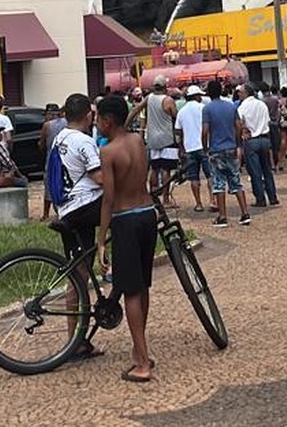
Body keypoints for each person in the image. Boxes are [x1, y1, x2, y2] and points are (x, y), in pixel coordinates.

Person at [96, 94, 158, 383]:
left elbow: (108, 198)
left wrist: (101, 239)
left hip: (125, 219)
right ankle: (139, 349)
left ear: (107, 121)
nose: (96, 123)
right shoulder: (137, 141)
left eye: (99, 118)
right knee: (142, 286)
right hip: (147, 213)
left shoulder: (108, 152)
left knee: (130, 291)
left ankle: (142, 362)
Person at [50, 92, 105, 360]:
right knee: (124, 211)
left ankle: (75, 340)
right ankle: (114, 259)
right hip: (85, 206)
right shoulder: (84, 141)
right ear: (88, 116)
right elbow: (99, 177)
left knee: (78, 275)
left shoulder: (59, 137)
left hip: (67, 208)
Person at [202, 80, 251, 227]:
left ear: (208, 93)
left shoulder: (207, 109)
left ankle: (222, 216)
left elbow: (205, 130)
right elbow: (238, 126)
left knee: (218, 183)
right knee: (236, 181)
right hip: (231, 147)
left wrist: (205, 148)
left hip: (216, 149)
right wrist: (237, 143)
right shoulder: (231, 106)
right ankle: (245, 213)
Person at [138, 76, 179, 207]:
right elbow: (176, 116)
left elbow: (135, 110)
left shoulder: (148, 98)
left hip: (152, 139)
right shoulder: (168, 100)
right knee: (166, 169)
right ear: (164, 87)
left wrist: (126, 125)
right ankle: (166, 199)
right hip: (167, 138)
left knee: (154, 169)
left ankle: (152, 198)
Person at [237, 83, 279, 208]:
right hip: (264, 138)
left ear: (246, 93)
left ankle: (260, 198)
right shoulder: (261, 104)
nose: (238, 94)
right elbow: (267, 121)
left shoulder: (242, 107)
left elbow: (239, 122)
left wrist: (243, 131)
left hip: (251, 140)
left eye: (240, 92)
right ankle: (272, 196)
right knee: (267, 170)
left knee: (255, 172)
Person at [174, 85, 213, 213]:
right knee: (210, 176)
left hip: (189, 147)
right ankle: (213, 200)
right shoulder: (203, 108)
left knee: (194, 177)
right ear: (196, 96)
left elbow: (177, 131)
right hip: (204, 146)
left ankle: (198, 203)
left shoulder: (181, 111)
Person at [39, 103, 66, 220]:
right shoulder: (66, 123)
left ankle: (45, 214)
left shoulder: (47, 126)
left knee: (49, 186)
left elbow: (42, 145)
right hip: (65, 159)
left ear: (49, 114)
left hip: (51, 161)